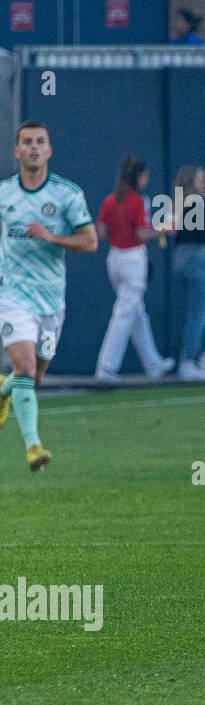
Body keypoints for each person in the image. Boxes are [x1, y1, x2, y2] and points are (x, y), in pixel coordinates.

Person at [0, 121, 97, 472]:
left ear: (50, 150)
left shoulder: (67, 194)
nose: (34, 148)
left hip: (51, 301)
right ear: (17, 151)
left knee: (34, 376)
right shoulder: (3, 195)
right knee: (24, 366)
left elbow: (90, 241)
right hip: (12, 296)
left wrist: (51, 238)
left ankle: (2, 391)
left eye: (40, 142)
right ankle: (33, 446)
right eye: (27, 142)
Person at [93, 155, 175, 383]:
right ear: (139, 176)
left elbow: (101, 231)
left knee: (136, 313)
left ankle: (153, 364)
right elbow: (141, 234)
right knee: (123, 314)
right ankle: (106, 368)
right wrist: (163, 229)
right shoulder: (138, 201)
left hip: (115, 259)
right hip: (132, 260)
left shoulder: (110, 200)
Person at [170, 165, 205, 381]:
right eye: (201, 180)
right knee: (200, 311)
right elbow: (201, 233)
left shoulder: (182, 202)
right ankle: (189, 360)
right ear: (191, 182)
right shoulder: (194, 202)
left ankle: (204, 357)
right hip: (194, 256)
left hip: (186, 256)